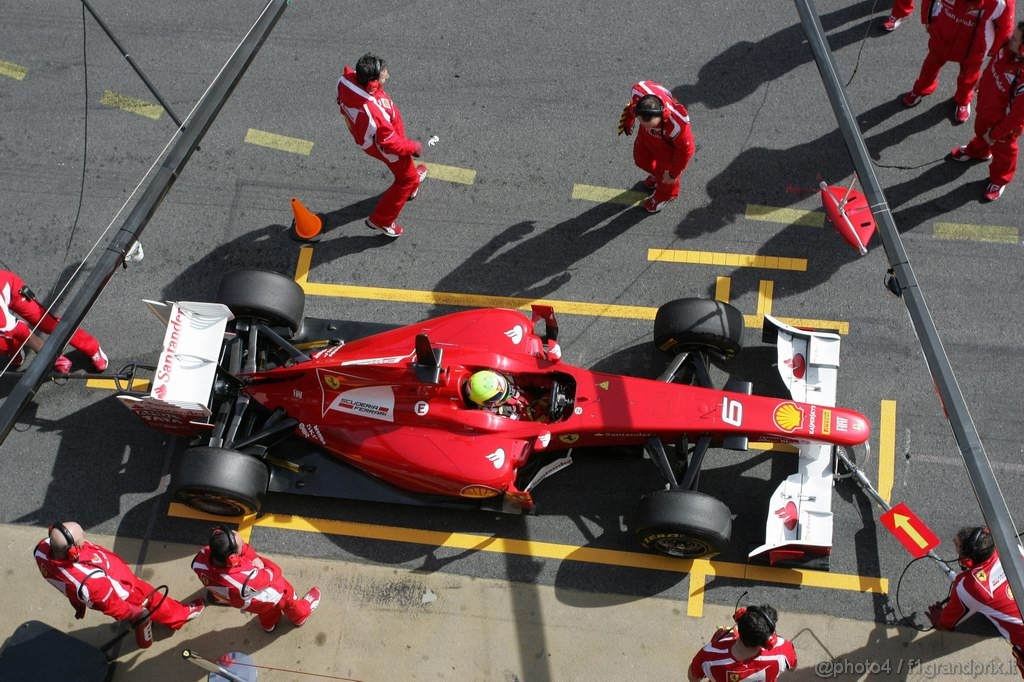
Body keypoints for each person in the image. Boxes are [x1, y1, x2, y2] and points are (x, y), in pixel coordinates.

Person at [34, 521, 204, 630]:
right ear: (72, 551)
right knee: (155, 601)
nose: (84, 537)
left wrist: (79, 605)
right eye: (80, 540)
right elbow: (115, 607)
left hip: (109, 582)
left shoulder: (43, 550)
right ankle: (179, 616)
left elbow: (68, 587)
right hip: (127, 589)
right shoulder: (91, 583)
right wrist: (136, 613)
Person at [337, 53, 427, 239]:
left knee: (407, 172)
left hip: (373, 139)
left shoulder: (346, 81)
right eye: (383, 72)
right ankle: (382, 220)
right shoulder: (374, 111)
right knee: (405, 180)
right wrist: (413, 147)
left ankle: (412, 181)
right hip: (387, 148)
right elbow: (391, 145)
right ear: (372, 81)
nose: (387, 74)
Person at [927, 526, 1024, 677]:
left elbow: (945, 625)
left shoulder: (970, 587)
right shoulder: (1015, 549)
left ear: (968, 560)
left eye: (957, 546)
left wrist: (937, 619)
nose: (953, 542)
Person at [901, 0, 1014, 124]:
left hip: (974, 47)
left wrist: (993, 50)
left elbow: (1005, 27)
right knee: (930, 65)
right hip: (942, 35)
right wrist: (927, 20)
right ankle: (921, 88)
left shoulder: (1002, 2)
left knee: (969, 76)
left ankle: (963, 100)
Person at [192, 526, 321, 633]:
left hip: (248, 602)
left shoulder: (200, 559)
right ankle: (300, 617)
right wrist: (259, 561)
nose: (244, 543)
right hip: (270, 594)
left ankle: (268, 626)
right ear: (233, 559)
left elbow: (241, 551)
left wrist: (251, 556)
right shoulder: (245, 578)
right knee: (288, 598)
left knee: (265, 611)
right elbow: (274, 572)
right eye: (241, 544)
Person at [948, 22, 1024, 201]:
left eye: (1015, 38)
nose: (1009, 38)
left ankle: (1000, 179)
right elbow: (992, 68)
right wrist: (980, 84)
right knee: (980, 132)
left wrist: (996, 134)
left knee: (1004, 154)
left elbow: (1016, 117)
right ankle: (980, 151)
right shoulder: (1006, 48)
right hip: (985, 111)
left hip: (1003, 128)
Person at [0, 270, 107, 373]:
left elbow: (23, 332)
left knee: (47, 324)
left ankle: (92, 348)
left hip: (12, 290)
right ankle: (14, 348)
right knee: (3, 342)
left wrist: (50, 356)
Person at [617, 81, 695, 214]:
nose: (648, 128)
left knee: (666, 178)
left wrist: (673, 174)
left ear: (662, 115)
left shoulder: (677, 124)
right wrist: (629, 119)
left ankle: (665, 196)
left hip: (667, 149)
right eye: (643, 123)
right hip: (645, 140)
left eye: (652, 126)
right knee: (641, 160)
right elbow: (632, 108)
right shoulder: (638, 94)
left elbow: (686, 151)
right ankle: (657, 176)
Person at [689, 603, 797, 682]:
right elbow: (793, 667)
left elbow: (692, 677)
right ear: (769, 641)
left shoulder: (709, 655)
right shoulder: (783, 650)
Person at [464, 370, 550, 422]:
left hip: (537, 393)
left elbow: (529, 378)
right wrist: (545, 404)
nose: (508, 393)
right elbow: (525, 421)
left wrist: (548, 383)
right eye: (498, 396)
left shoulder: (505, 376)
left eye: (505, 387)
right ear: (487, 403)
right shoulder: (496, 416)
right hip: (537, 413)